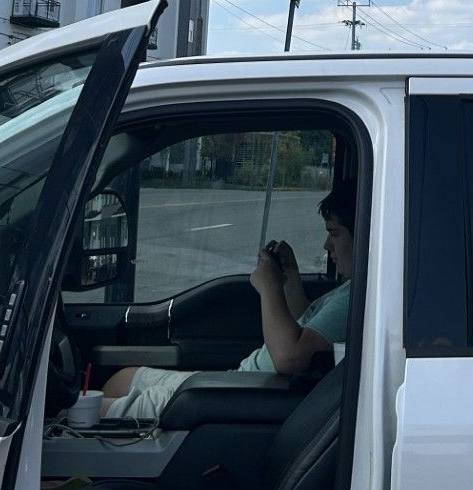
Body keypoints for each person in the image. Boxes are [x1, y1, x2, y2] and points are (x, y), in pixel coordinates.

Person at [100, 181, 355, 423]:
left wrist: (270, 288)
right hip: (242, 383)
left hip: (245, 395)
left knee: (89, 411)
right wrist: (290, 278)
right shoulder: (350, 291)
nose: (327, 245)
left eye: (334, 234)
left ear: (365, 230)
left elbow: (290, 357)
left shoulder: (353, 298)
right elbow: (306, 330)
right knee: (123, 379)